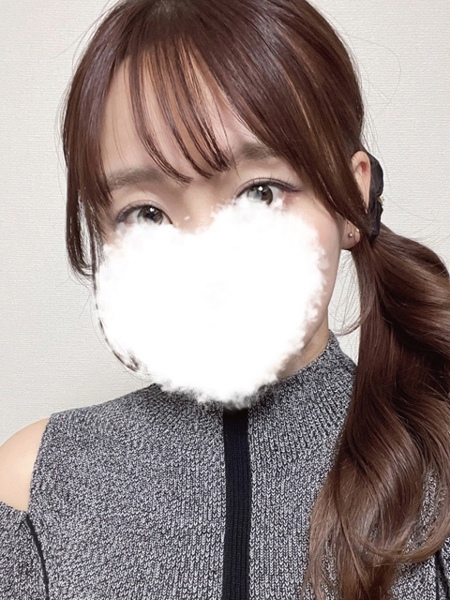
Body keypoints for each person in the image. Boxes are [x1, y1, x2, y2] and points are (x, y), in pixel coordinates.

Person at [0, 0, 449, 598]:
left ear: (351, 199)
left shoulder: (438, 462)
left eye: (260, 192)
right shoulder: (31, 485)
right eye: (145, 213)